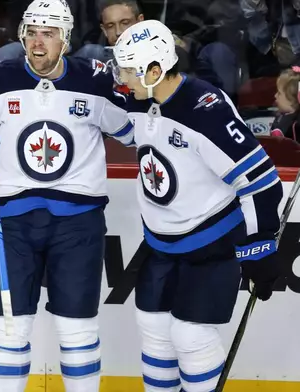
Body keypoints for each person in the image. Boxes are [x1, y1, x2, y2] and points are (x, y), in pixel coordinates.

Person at [0, 1, 133, 391]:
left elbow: (133, 131)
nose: (38, 43)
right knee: (9, 330)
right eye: (33, 32)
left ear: (66, 39)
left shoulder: (93, 81)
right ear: (22, 34)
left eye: (49, 33)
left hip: (78, 224)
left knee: (77, 332)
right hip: (14, 223)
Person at [112, 20, 284, 392]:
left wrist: (260, 245)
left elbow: (262, 181)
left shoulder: (205, 110)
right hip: (160, 244)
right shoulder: (142, 99)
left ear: (155, 71)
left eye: (128, 70)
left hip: (212, 244)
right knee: (154, 328)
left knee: (190, 337)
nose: (122, 79)